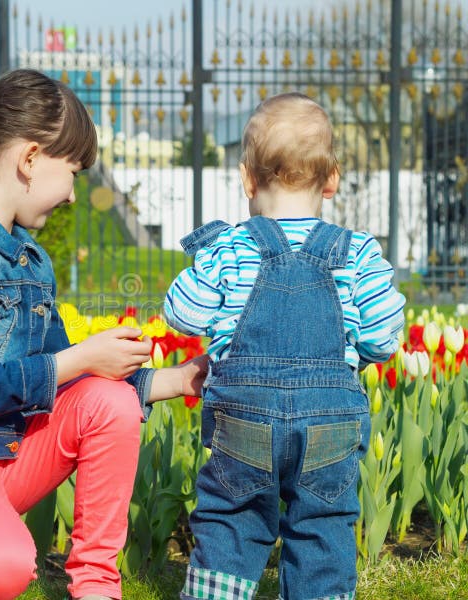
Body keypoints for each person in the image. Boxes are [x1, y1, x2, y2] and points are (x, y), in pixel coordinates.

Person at [0, 68, 208, 600]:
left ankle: (96, 584)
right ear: (29, 159)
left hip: (1, 455)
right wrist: (80, 359)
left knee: (109, 403)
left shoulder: (30, 259)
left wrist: (179, 379)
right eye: (73, 172)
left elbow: (68, 385)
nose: (74, 195)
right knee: (5, 569)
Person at [164, 93, 406, 600]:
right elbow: (385, 338)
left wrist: (208, 259)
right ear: (332, 178)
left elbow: (182, 314)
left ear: (248, 179)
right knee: (323, 522)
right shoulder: (357, 252)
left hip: (245, 417)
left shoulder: (231, 246)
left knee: (232, 514)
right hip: (330, 421)